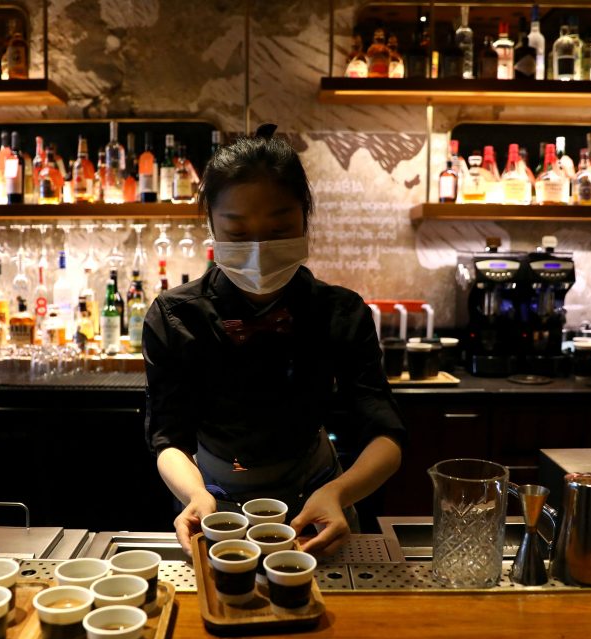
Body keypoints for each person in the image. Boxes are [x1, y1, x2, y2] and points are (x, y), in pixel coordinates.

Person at [143, 123, 406, 556]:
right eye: (239, 234)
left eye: (280, 231)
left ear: (305, 218)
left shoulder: (339, 311)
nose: (259, 249)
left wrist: (340, 493)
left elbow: (386, 432)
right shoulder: (176, 316)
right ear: (211, 227)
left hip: (318, 499)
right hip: (211, 504)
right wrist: (194, 495)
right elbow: (167, 436)